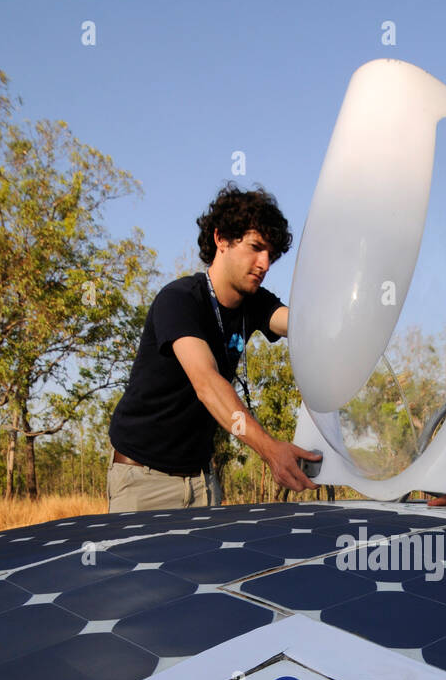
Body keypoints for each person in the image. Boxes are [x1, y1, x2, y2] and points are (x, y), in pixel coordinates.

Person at [107, 183, 321, 512]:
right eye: (255, 247)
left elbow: (301, 325)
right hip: (143, 481)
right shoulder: (178, 300)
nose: (264, 263)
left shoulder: (254, 303)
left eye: (271, 255)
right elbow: (206, 382)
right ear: (221, 239)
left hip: (203, 481)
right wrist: (268, 448)